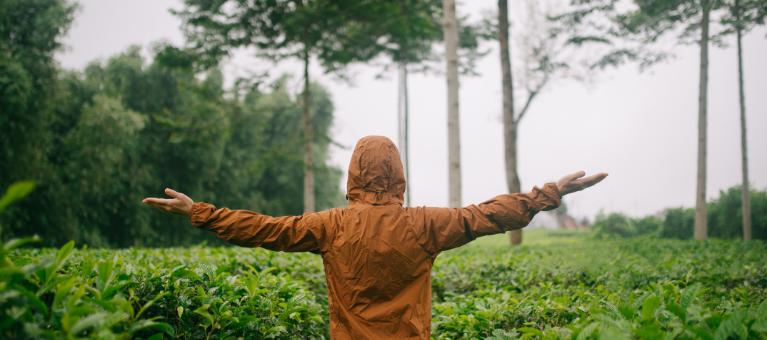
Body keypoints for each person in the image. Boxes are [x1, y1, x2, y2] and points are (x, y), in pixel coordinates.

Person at [143, 135, 607, 339]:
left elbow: (266, 229)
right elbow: (483, 216)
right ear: (398, 173)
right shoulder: (425, 224)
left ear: (353, 173)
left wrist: (199, 212)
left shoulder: (329, 226)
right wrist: (548, 194)